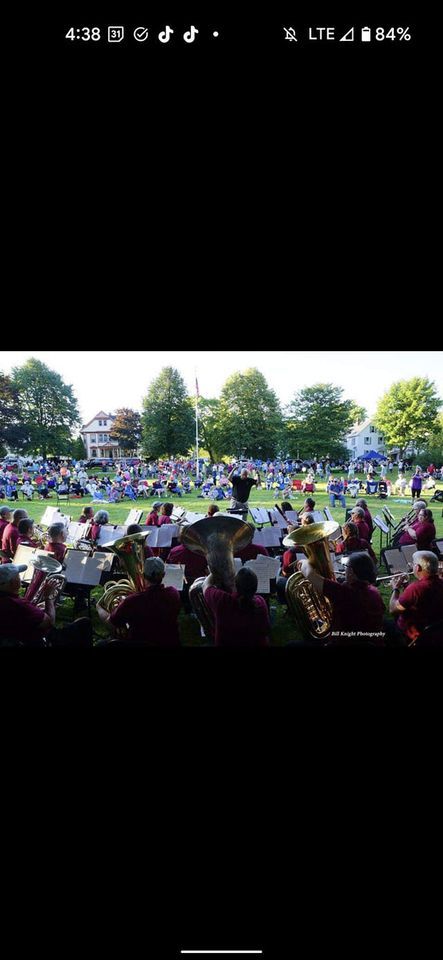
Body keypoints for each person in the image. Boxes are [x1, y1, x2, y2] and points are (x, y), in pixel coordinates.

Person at [299, 551, 385, 644]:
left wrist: (304, 562)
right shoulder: (374, 591)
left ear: (351, 572)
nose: (344, 571)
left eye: (346, 567)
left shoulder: (344, 592)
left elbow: (310, 575)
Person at [0, 562, 93, 647]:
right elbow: (50, 622)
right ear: (13, 582)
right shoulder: (18, 604)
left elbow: (22, 616)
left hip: (16, 637)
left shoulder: (9, 600)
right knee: (84, 623)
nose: (20, 578)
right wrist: (49, 598)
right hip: (40, 640)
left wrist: (35, 609)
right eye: (18, 576)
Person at [96, 556, 181, 646]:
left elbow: (111, 623)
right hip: (169, 642)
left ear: (143, 575)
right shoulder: (174, 594)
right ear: (163, 575)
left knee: (101, 644)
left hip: (138, 642)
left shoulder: (132, 601)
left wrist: (99, 607)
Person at [203, 566, 271, 647]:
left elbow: (206, 585)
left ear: (235, 585)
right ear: (255, 588)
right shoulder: (261, 603)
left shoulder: (223, 600)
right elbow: (265, 630)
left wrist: (215, 571)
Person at [388, 551, 443, 645]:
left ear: (418, 567)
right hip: (436, 631)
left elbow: (393, 609)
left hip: (414, 635)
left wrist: (395, 588)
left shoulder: (416, 588)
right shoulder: (439, 582)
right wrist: (406, 587)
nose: (411, 566)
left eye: (412, 563)